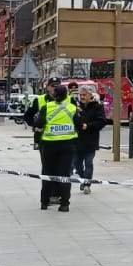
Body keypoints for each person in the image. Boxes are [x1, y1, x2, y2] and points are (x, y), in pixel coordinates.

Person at [31, 83, 80, 211]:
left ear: (54, 95)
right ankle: (64, 204)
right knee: (64, 175)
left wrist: (37, 136)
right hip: (67, 146)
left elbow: (38, 124)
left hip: (49, 145)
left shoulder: (46, 107)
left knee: (47, 173)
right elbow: (79, 124)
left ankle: (44, 202)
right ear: (66, 96)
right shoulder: (72, 108)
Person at [73, 87, 108, 194]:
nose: (82, 97)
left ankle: (87, 184)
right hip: (77, 140)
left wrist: (88, 126)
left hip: (90, 140)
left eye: (84, 95)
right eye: (80, 95)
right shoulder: (76, 106)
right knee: (77, 164)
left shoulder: (97, 106)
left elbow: (102, 121)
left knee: (88, 162)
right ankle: (83, 179)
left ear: (90, 95)